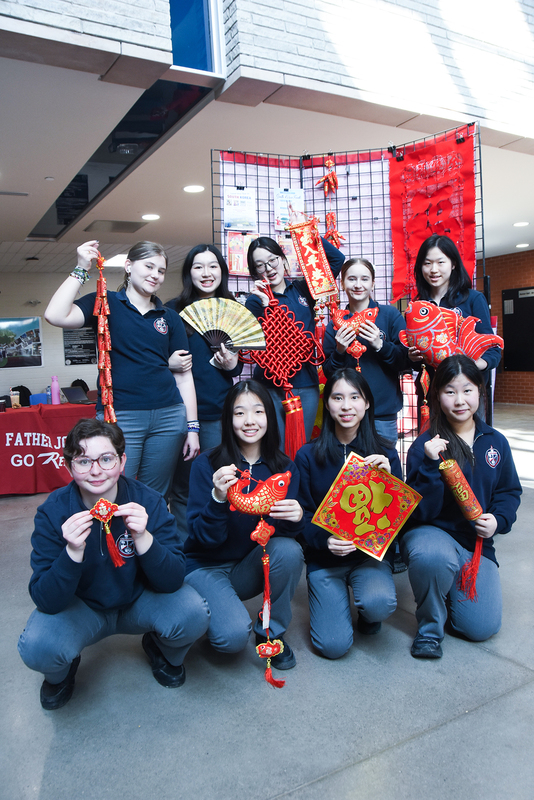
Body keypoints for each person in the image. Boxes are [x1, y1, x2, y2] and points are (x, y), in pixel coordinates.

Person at [17, 418, 210, 710]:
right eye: (83, 461)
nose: (95, 471)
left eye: (106, 459)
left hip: (138, 601)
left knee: (194, 613)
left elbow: (172, 581)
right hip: (82, 608)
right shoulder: (53, 512)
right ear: (68, 466)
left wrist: (144, 538)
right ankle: (62, 672)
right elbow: (45, 599)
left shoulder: (149, 501)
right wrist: (71, 552)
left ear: (122, 462)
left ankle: (159, 648)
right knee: (38, 647)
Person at [44, 240, 199, 498]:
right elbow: (55, 315)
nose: (155, 275)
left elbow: (184, 375)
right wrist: (81, 268)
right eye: (148, 266)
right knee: (112, 490)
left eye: (161, 271)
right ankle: (114, 540)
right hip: (120, 416)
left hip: (169, 417)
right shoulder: (105, 303)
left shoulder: (169, 317)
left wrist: (192, 427)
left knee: (154, 495)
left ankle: (148, 538)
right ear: (128, 266)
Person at [400, 355, 521, 659]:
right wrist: (429, 466)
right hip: (433, 535)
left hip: (476, 544)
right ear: (437, 395)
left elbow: (509, 491)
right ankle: (429, 628)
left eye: (467, 390)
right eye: (449, 391)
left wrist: (499, 520)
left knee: (480, 629)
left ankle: (450, 588)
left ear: (480, 391)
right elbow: (418, 512)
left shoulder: (496, 442)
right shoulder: (425, 445)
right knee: (431, 555)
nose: (459, 400)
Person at [185, 380, 304, 670]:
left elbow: (283, 538)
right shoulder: (208, 465)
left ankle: (271, 634)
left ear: (269, 417)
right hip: (206, 565)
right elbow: (202, 539)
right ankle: (194, 616)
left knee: (289, 551)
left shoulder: (285, 468)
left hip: (247, 565)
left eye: (258, 411)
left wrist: (298, 518)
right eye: (239, 413)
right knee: (232, 638)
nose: (249, 421)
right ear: (228, 420)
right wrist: (217, 498)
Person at [295, 368, 400, 659]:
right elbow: (300, 515)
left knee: (378, 603)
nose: (346, 406)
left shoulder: (385, 453)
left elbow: (402, 521)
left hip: (368, 558)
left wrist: (392, 486)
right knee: (333, 646)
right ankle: (331, 595)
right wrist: (324, 540)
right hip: (325, 560)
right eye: (337, 397)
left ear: (367, 403)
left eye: (355, 397)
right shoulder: (307, 455)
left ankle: (368, 612)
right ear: (326, 403)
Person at [165, 244, 243, 538]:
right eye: (198, 266)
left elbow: (234, 369)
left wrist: (232, 362)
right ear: (189, 272)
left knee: (219, 480)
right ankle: (186, 549)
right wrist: (168, 361)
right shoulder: (172, 310)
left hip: (218, 410)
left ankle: (218, 542)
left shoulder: (232, 308)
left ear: (221, 272)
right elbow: (156, 357)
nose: (206, 273)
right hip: (177, 410)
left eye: (213, 266)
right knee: (182, 485)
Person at [245, 222, 345, 445]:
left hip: (306, 383)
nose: (269, 268)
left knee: (300, 446)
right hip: (270, 386)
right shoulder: (254, 302)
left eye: (273, 260)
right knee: (276, 447)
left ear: (282, 258)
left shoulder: (302, 290)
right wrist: (266, 304)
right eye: (260, 265)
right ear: (254, 272)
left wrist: (307, 234)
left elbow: (337, 260)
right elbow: (270, 340)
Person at [323, 258, 408, 445]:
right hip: (346, 413)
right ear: (343, 283)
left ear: (373, 283)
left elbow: (405, 362)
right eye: (352, 279)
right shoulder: (335, 324)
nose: (358, 285)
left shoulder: (390, 315)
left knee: (383, 469)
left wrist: (380, 345)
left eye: (364, 279)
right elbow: (329, 373)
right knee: (349, 469)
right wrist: (339, 351)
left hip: (382, 412)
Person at [408, 234, 502, 385]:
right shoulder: (418, 307)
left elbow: (492, 348)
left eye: (440, 262)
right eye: (427, 263)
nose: (433, 269)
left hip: (466, 387)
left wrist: (471, 366)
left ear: (453, 264)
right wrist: (413, 358)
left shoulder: (473, 299)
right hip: (431, 390)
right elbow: (417, 364)